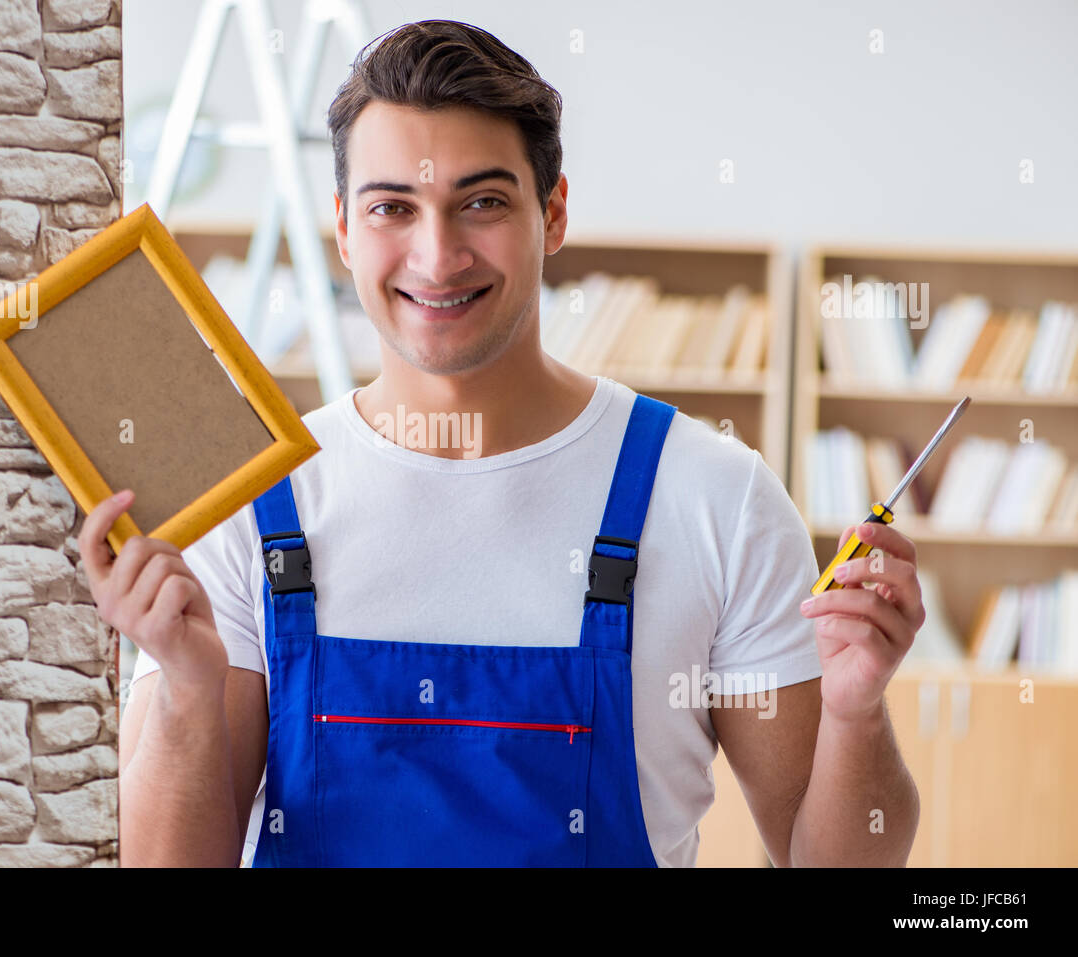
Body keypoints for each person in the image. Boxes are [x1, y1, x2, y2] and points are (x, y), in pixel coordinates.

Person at [82, 19, 923, 867]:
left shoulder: (713, 496)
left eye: (482, 202)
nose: (437, 255)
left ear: (552, 214)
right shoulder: (254, 504)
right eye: (392, 209)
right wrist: (187, 692)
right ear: (343, 228)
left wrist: (856, 711)